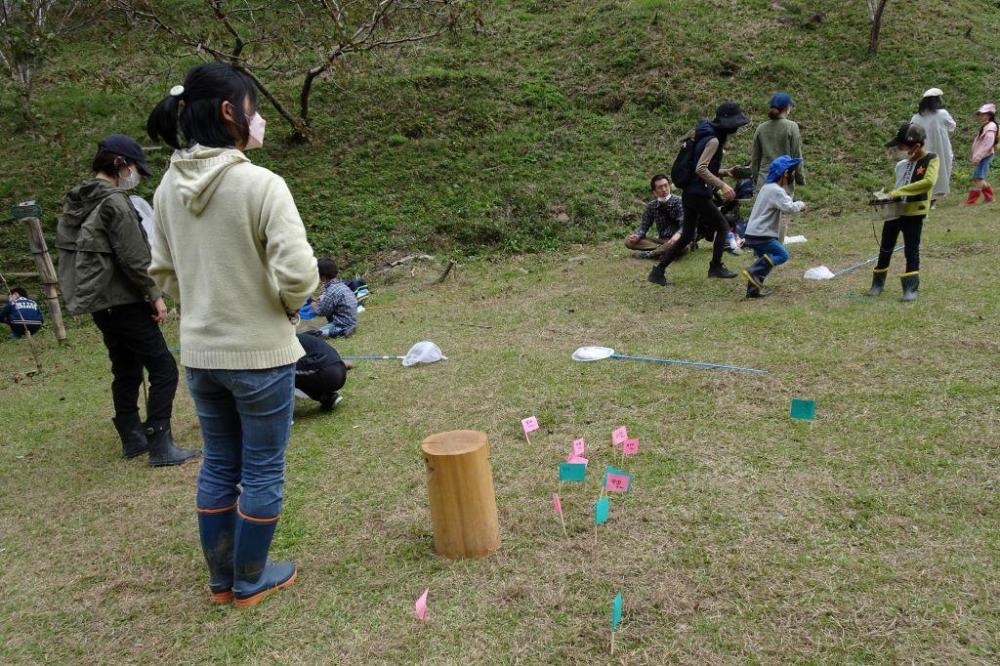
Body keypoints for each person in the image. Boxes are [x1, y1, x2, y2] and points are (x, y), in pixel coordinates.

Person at [147, 62, 319, 606]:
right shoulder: (261, 184)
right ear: (229, 112)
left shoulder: (165, 191)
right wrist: (287, 311)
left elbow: (163, 272)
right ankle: (250, 577)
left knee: (221, 462)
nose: (258, 117)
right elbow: (298, 275)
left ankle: (222, 581)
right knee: (263, 468)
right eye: (252, 106)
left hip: (201, 354)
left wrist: (202, 303)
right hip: (260, 354)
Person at [56, 134, 198, 466]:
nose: (135, 174)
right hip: (124, 299)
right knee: (164, 368)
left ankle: (132, 437)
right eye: (134, 167)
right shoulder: (115, 202)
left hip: (99, 302)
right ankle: (160, 442)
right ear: (120, 164)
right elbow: (134, 257)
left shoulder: (78, 200)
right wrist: (154, 295)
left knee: (126, 368)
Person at [648, 102, 750, 287]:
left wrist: (727, 172)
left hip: (690, 193)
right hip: (698, 194)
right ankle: (716, 267)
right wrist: (723, 186)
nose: (737, 127)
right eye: (735, 124)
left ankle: (658, 271)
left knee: (687, 236)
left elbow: (702, 167)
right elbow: (701, 169)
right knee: (723, 225)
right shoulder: (714, 140)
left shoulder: (705, 135)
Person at [868, 123, 939, 302]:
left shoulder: (931, 159)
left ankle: (910, 288)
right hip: (894, 212)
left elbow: (928, 182)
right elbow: (897, 187)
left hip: (914, 214)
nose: (899, 149)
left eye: (901, 146)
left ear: (916, 146)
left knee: (911, 250)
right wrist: (886, 197)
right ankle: (877, 284)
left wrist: (898, 193)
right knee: (885, 247)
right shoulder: (901, 165)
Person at [740, 156, 807, 299]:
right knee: (782, 255)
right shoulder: (776, 190)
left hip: (752, 233)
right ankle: (753, 272)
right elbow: (788, 207)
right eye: (789, 173)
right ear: (783, 174)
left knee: (766, 260)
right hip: (762, 234)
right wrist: (800, 204)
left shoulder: (766, 188)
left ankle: (753, 291)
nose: (790, 176)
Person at [750, 92, 804, 243]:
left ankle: (761, 246)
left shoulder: (761, 128)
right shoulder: (791, 127)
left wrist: (755, 178)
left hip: (764, 178)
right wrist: (799, 178)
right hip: (784, 178)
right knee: (782, 215)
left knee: (764, 214)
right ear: (787, 108)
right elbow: (796, 155)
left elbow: (755, 157)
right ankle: (777, 246)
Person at [910, 88, 955, 204]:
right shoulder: (942, 114)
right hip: (941, 149)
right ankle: (933, 199)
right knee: (940, 171)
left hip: (923, 151)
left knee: (925, 173)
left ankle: (927, 198)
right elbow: (952, 126)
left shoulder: (916, 118)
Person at [625, 174, 684, 259]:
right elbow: (643, 227)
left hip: (678, 238)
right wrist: (637, 236)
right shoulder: (651, 206)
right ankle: (664, 252)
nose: (664, 189)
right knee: (628, 241)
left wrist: (678, 234)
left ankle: (650, 254)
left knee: (682, 244)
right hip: (662, 241)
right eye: (660, 187)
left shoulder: (680, 201)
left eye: (666, 186)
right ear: (654, 192)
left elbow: (685, 224)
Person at [294, 333, 348, 410]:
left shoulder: (285, 343)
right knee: (294, 372)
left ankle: (279, 412)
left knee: (284, 373)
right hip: (340, 370)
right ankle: (327, 397)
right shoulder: (295, 337)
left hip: (326, 372)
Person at [311, 257, 357, 338]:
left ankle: (342, 331)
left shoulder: (331, 291)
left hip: (340, 324)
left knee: (315, 334)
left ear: (323, 276)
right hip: (351, 321)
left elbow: (322, 312)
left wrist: (313, 305)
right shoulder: (341, 285)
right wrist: (322, 299)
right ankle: (347, 329)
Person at [966, 103, 997, 204]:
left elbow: (987, 144)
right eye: (980, 114)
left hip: (985, 155)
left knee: (978, 178)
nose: (981, 116)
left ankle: (971, 201)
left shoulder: (990, 128)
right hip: (983, 155)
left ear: (989, 115)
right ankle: (989, 197)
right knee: (978, 178)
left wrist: (978, 157)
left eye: (983, 114)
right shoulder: (986, 126)